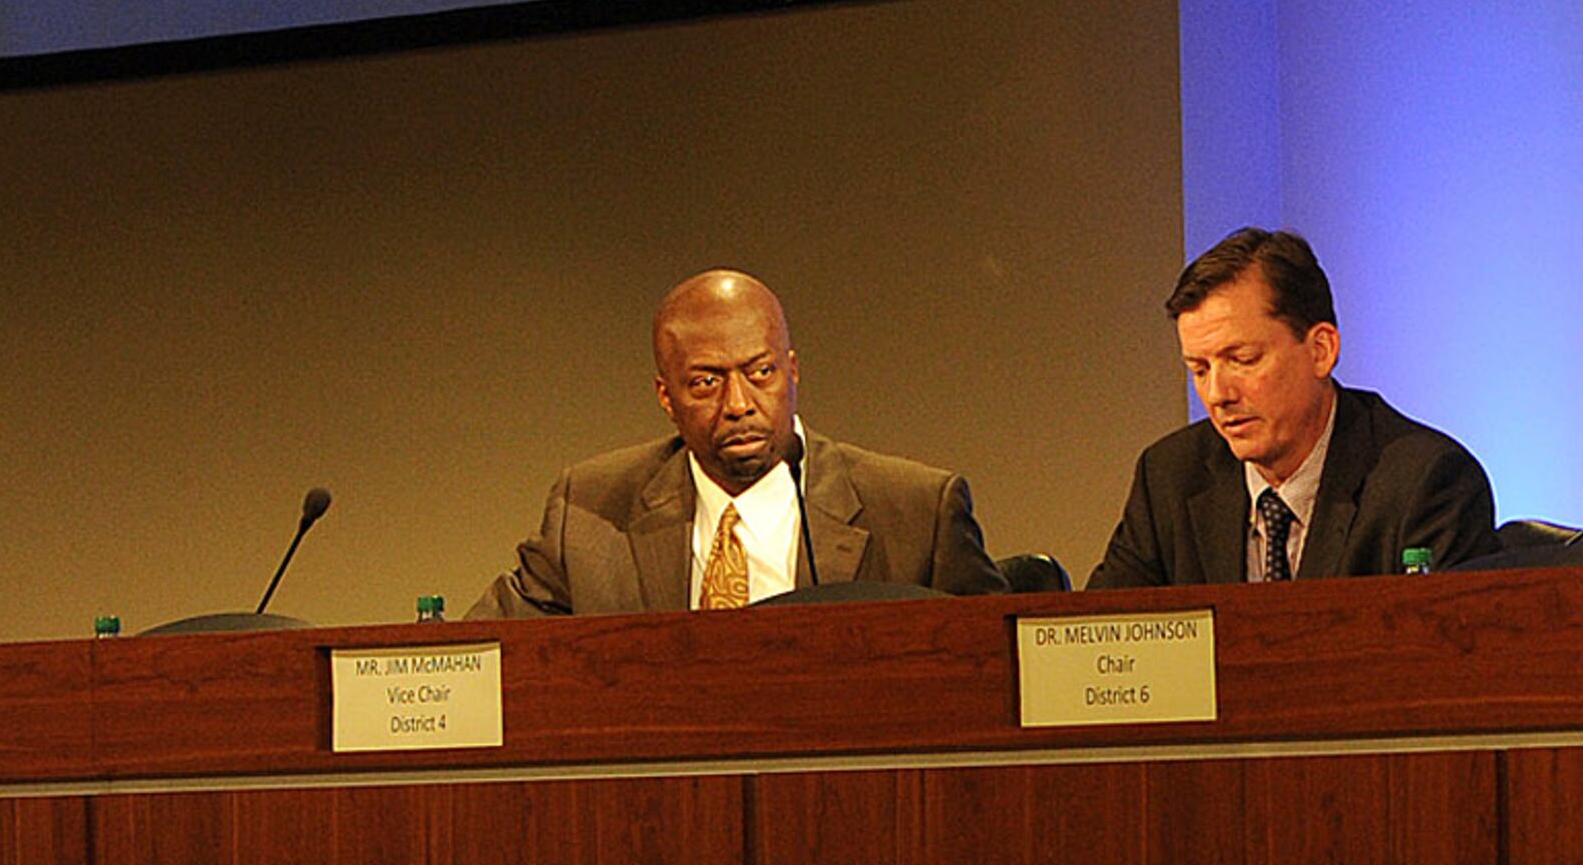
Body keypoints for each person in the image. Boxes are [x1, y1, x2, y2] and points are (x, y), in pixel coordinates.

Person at [474, 270, 1000, 614]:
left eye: (761, 372)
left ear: (792, 371)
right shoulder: (587, 510)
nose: (739, 403)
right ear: (665, 394)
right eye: (706, 382)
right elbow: (480, 654)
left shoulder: (915, 511)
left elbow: (999, 674)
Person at [1091, 227, 1498, 585]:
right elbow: (1105, 643)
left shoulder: (1426, 483)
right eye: (1199, 369)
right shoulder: (1170, 478)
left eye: (1243, 360)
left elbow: (1447, 662)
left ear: (1321, 350)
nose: (1218, 394)